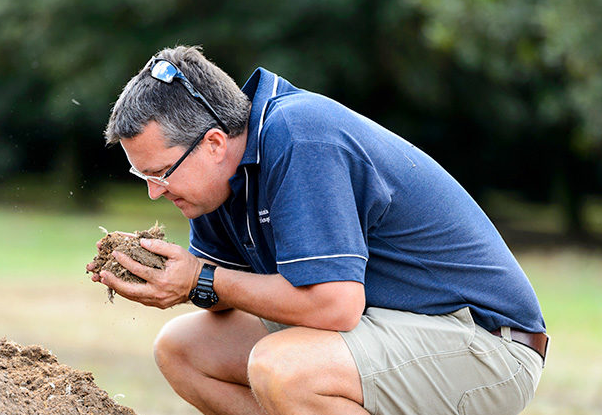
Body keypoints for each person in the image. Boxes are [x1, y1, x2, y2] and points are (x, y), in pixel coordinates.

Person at [87, 45, 548, 415]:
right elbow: (230, 292)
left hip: (487, 347)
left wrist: (201, 279)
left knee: (283, 367)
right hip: (387, 326)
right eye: (143, 177)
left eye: (162, 173)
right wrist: (169, 278)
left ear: (212, 143)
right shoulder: (217, 184)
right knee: (182, 350)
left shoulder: (300, 136)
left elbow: (334, 306)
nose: (154, 192)